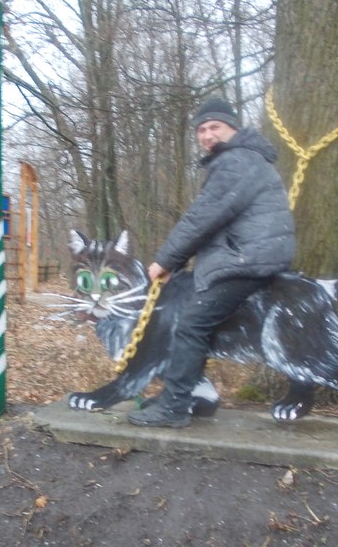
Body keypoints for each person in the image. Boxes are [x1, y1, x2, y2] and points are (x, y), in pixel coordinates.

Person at [127, 97, 296, 428]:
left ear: (233, 128)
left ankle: (175, 407)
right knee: (188, 320)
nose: (207, 135)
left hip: (247, 259)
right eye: (201, 130)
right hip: (248, 254)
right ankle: (180, 394)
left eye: (214, 127)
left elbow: (202, 218)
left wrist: (165, 261)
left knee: (191, 325)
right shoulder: (245, 159)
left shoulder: (237, 162)